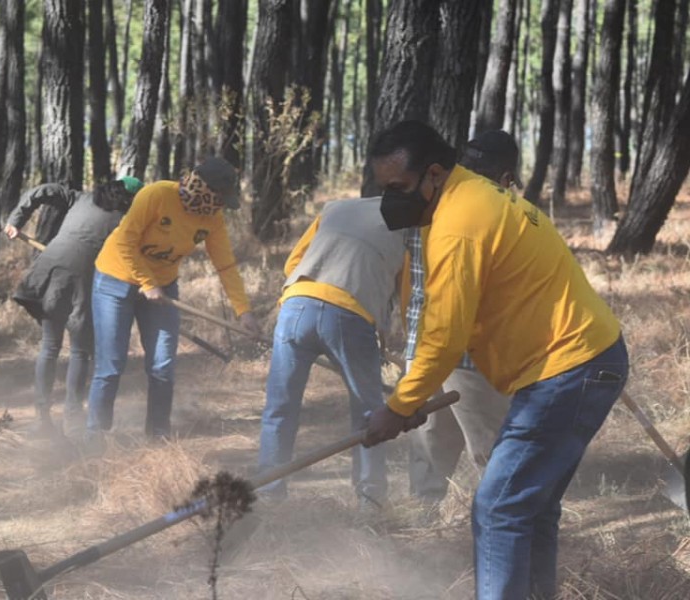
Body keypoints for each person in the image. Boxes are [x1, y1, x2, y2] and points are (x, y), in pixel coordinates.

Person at [364, 121, 628, 600]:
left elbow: (445, 336)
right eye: (384, 189)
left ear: (435, 175)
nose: (390, 199)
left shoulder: (459, 225)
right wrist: (415, 397)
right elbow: (439, 317)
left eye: (398, 188)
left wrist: (399, 406)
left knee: (498, 507)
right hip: (582, 360)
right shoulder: (472, 199)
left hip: (568, 367)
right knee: (531, 508)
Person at [86, 157, 259, 441]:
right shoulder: (156, 195)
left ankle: (158, 437)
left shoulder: (212, 219)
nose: (220, 207)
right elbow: (125, 242)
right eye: (219, 199)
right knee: (111, 365)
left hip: (162, 290)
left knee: (162, 365)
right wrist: (146, 282)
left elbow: (225, 265)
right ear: (205, 189)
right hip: (115, 280)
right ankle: (95, 436)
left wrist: (244, 311)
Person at [257, 197, 406, 509]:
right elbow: (407, 294)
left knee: (280, 406)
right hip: (349, 316)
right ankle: (371, 501)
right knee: (370, 412)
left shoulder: (337, 207)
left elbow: (292, 264)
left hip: (296, 305)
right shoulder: (411, 228)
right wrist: (400, 339)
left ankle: (269, 494)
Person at [406, 130, 520, 504]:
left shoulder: (433, 200)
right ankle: (508, 534)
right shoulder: (494, 212)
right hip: (470, 355)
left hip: (423, 346)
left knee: (431, 444)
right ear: (505, 178)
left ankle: (421, 524)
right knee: (495, 451)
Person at [4, 177, 144, 435]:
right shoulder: (124, 221)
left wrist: (15, 220)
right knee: (80, 351)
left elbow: (41, 191)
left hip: (50, 269)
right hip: (82, 279)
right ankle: (73, 417)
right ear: (130, 199)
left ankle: (42, 417)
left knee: (50, 346)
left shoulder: (79, 198)